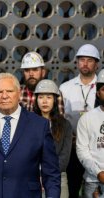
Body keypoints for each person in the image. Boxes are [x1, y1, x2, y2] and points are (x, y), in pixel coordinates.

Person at [59, 44, 100, 197]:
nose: (85, 63)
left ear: (96, 64)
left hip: (97, 147)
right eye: (81, 60)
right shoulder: (65, 88)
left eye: (89, 60)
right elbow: (61, 119)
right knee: (72, 187)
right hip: (73, 147)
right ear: (76, 63)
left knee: (96, 188)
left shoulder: (101, 88)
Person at [33, 79, 73, 197]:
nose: (44, 101)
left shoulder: (65, 125)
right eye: (41, 97)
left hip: (58, 176)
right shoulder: (28, 123)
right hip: (32, 177)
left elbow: (64, 157)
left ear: (55, 100)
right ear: (36, 99)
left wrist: (46, 172)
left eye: (49, 97)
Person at [76, 69, 104, 198]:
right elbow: (82, 151)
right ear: (98, 93)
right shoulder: (87, 119)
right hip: (94, 182)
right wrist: (98, 172)